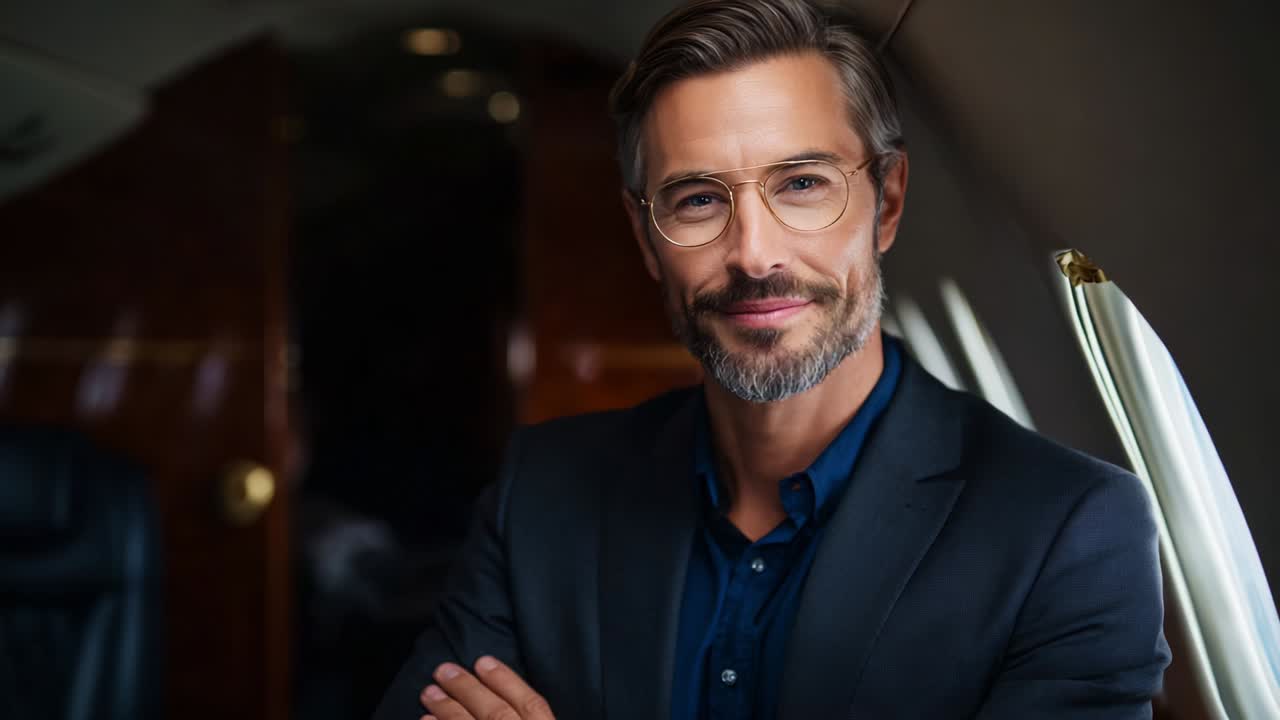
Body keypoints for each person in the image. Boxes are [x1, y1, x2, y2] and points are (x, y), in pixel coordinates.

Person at [372, 1, 1171, 718]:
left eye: (801, 185)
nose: (754, 254)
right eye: (697, 200)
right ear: (645, 236)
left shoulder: (1066, 532)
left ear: (886, 202)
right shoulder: (539, 497)